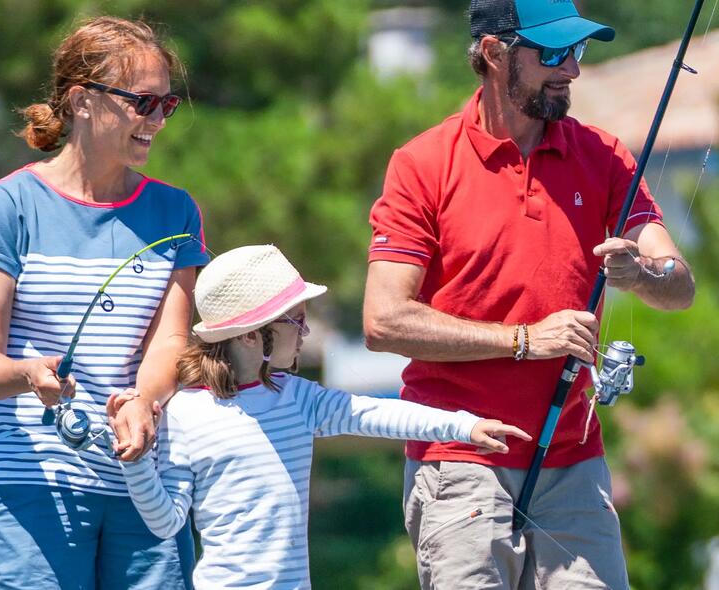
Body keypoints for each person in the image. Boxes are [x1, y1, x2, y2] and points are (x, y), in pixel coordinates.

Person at [361, 0, 696, 586]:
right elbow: (383, 321)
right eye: (554, 53)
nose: (572, 69)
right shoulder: (422, 165)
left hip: (575, 463)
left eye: (579, 51)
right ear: (494, 54)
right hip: (459, 457)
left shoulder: (604, 156)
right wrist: (523, 340)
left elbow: (680, 285)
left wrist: (640, 276)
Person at [0, 16, 203, 589]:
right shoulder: (8, 205)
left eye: (168, 104)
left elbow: (170, 341)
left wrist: (145, 400)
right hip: (33, 483)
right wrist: (26, 372)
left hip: (146, 483)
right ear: (82, 101)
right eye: (143, 102)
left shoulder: (177, 212)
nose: (158, 120)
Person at [112, 244, 531, 589]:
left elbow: (378, 414)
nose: (305, 333)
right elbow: (166, 523)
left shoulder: (298, 398)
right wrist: (135, 464)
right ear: (252, 335)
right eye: (297, 320)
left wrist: (464, 426)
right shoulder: (184, 413)